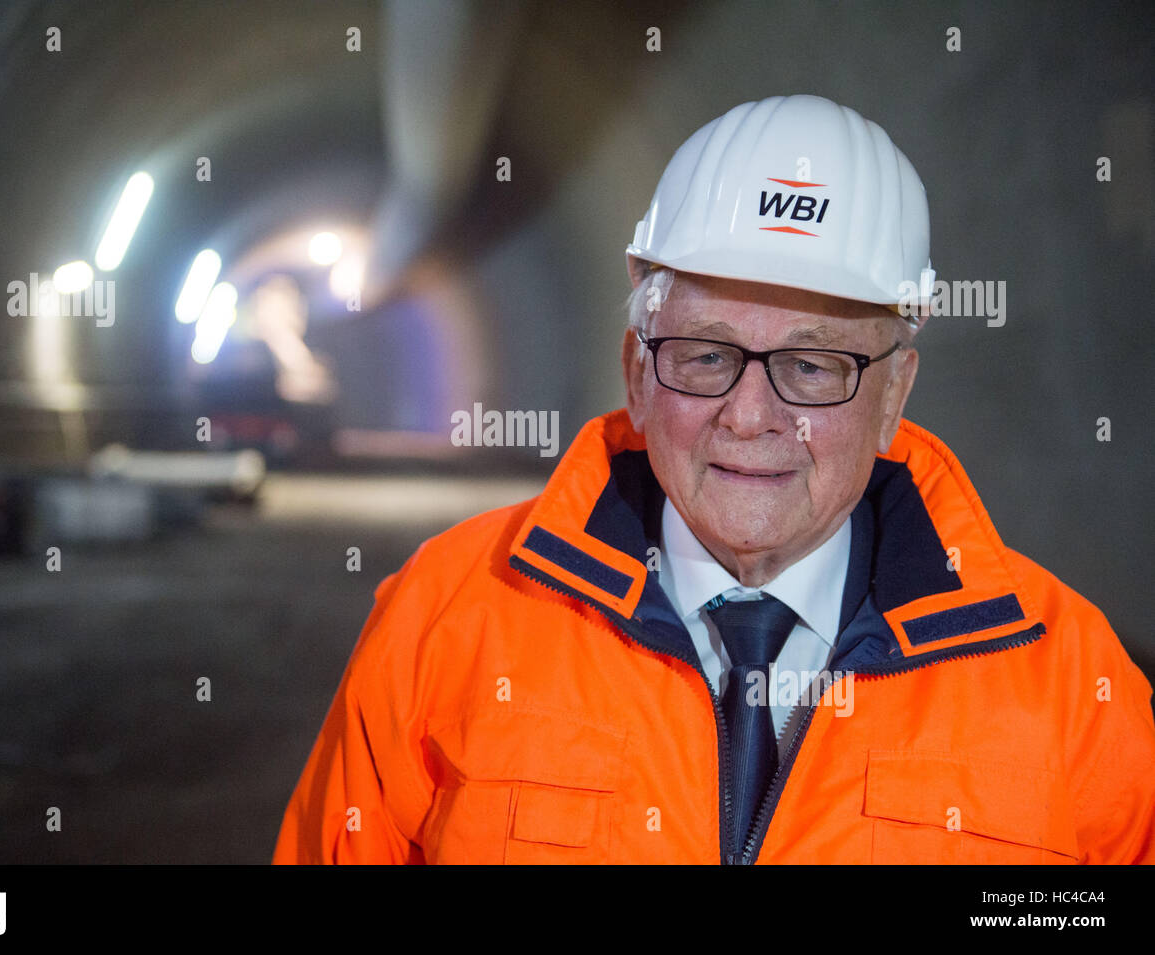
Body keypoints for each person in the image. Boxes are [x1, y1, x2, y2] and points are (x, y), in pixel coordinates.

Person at [273, 94, 1155, 864]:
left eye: (812, 365)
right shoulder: (444, 619)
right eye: (705, 354)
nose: (748, 415)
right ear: (636, 372)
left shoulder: (1068, 684)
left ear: (892, 395)